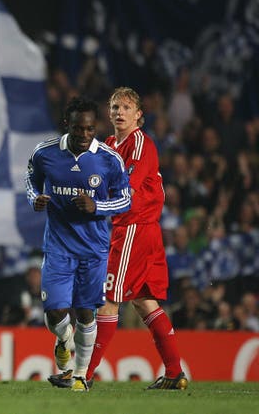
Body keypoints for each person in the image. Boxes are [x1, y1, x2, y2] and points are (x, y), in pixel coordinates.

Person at [49, 87, 188, 390]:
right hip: (133, 229)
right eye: (114, 107)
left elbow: (126, 190)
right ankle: (175, 371)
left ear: (139, 115)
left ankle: (84, 373)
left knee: (108, 301)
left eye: (126, 107)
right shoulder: (109, 144)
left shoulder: (140, 144)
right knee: (144, 302)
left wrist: (92, 200)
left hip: (134, 229)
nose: (119, 112)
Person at [25, 96, 131, 391]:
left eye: (90, 129)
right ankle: (63, 340)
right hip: (59, 247)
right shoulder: (45, 153)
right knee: (54, 312)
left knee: (86, 313)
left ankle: (80, 374)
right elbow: (30, 178)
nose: (85, 135)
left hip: (94, 250)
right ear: (66, 126)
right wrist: (36, 198)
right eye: (78, 129)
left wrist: (97, 206)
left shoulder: (109, 160)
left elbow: (125, 199)